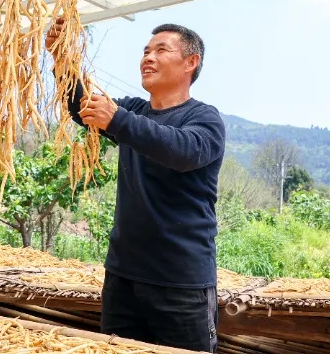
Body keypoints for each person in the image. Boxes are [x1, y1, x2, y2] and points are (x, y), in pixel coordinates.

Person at [45, 19, 226, 352]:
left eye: (161, 50)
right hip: (123, 277)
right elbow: (82, 108)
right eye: (145, 51)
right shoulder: (134, 111)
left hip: (181, 283)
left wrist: (118, 120)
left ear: (190, 62)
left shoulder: (204, 119)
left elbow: (182, 152)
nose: (148, 58)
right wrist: (63, 60)